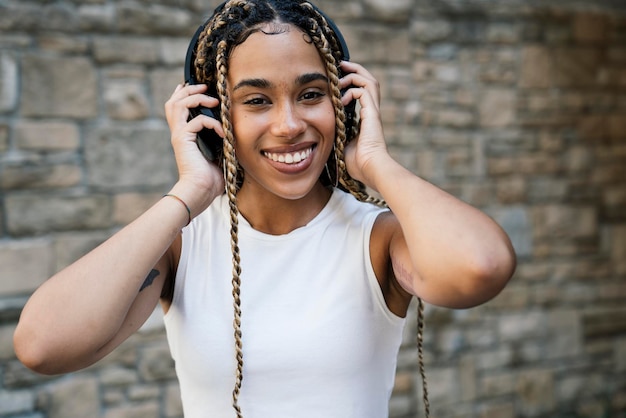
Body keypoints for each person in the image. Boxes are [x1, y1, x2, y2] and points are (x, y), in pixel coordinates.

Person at [13, 1, 516, 417]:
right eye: (256, 101)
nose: (289, 124)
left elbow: (482, 267)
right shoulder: (182, 245)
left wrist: (375, 161)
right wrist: (189, 192)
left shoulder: (378, 240)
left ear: (345, 104)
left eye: (311, 94)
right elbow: (42, 345)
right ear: (212, 113)